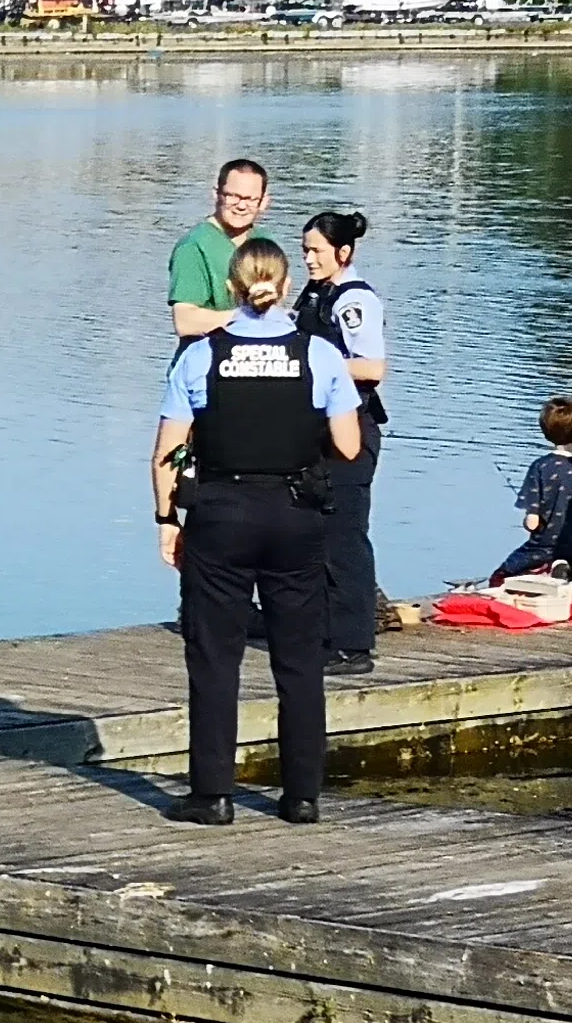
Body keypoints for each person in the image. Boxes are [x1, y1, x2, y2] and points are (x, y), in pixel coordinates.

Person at [152, 235, 363, 825]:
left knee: (215, 658)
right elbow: (348, 446)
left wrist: (167, 520)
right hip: (296, 516)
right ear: (286, 284)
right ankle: (301, 796)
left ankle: (213, 794)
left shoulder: (202, 355)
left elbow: (166, 453)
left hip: (221, 512)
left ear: (232, 288)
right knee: (298, 661)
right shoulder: (318, 354)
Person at [293, 210, 392, 673]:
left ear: (343, 252)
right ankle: (321, 631)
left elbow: (372, 367)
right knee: (312, 531)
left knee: (344, 535)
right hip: (316, 428)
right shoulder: (317, 292)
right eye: (305, 250)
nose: (308, 259)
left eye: (316, 250)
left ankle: (354, 645)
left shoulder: (354, 301)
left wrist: (313, 362)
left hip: (351, 427)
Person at [493, 397, 572, 585]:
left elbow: (532, 523)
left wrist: (530, 522)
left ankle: (555, 567)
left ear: (547, 433)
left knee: (500, 578)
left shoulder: (541, 467)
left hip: (542, 549)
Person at [167, 158, 275, 339]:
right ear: (217, 194)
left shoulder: (265, 241)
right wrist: (247, 317)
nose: (241, 206)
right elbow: (185, 322)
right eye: (233, 196)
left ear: (263, 202)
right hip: (208, 360)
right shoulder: (194, 247)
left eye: (250, 199)